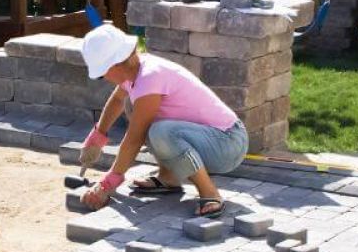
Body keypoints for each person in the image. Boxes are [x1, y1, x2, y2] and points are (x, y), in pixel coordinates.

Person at [78, 24, 248, 218]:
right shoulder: (134, 70)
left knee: (161, 131)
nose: (105, 78)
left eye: (102, 73)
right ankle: (168, 178)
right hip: (211, 138)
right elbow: (117, 100)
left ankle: (210, 193)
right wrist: (98, 135)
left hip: (228, 143)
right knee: (139, 113)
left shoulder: (150, 78)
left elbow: (135, 137)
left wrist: (109, 182)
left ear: (115, 65)